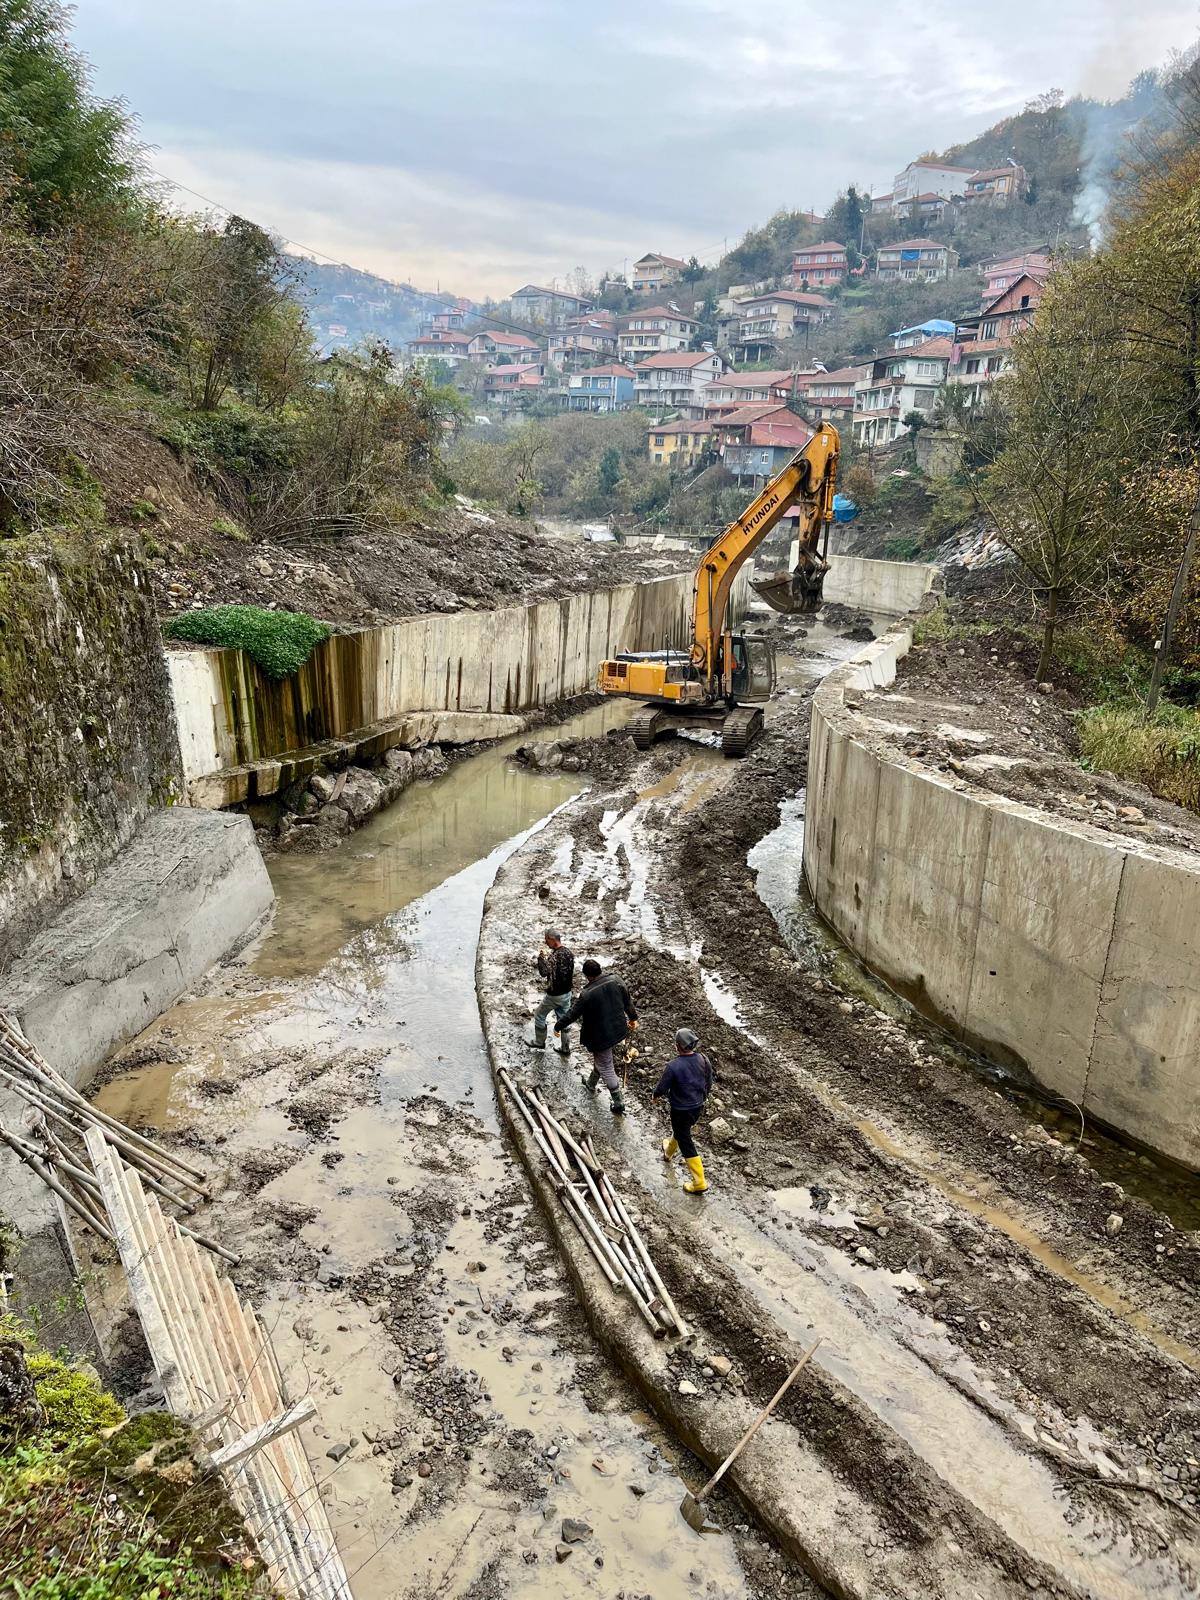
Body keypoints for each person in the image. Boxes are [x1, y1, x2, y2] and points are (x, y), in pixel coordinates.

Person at [554, 958, 637, 1116]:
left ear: (587, 976)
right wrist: (633, 1018)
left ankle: (618, 1101)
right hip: (618, 1029)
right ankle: (591, 1083)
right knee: (602, 1060)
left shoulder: (586, 994)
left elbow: (572, 1014)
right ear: (600, 969)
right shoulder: (616, 980)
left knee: (606, 1065)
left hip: (601, 1036)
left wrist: (558, 1025)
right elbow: (627, 1002)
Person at [653, 1027, 715, 1193]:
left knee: (686, 1141)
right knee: (682, 1131)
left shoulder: (673, 1066)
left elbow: (662, 1087)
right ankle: (668, 1152)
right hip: (697, 1107)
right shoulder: (703, 1059)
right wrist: (703, 1097)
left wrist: (655, 1095)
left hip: (680, 1109)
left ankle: (699, 1182)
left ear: (677, 1046)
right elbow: (708, 1082)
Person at [529, 929, 574, 1056]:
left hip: (554, 995)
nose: (545, 942)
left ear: (552, 939)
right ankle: (565, 1048)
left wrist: (541, 958)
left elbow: (544, 972)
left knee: (539, 1014)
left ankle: (539, 1042)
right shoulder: (569, 953)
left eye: (546, 939)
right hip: (567, 994)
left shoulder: (555, 956)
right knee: (564, 1019)